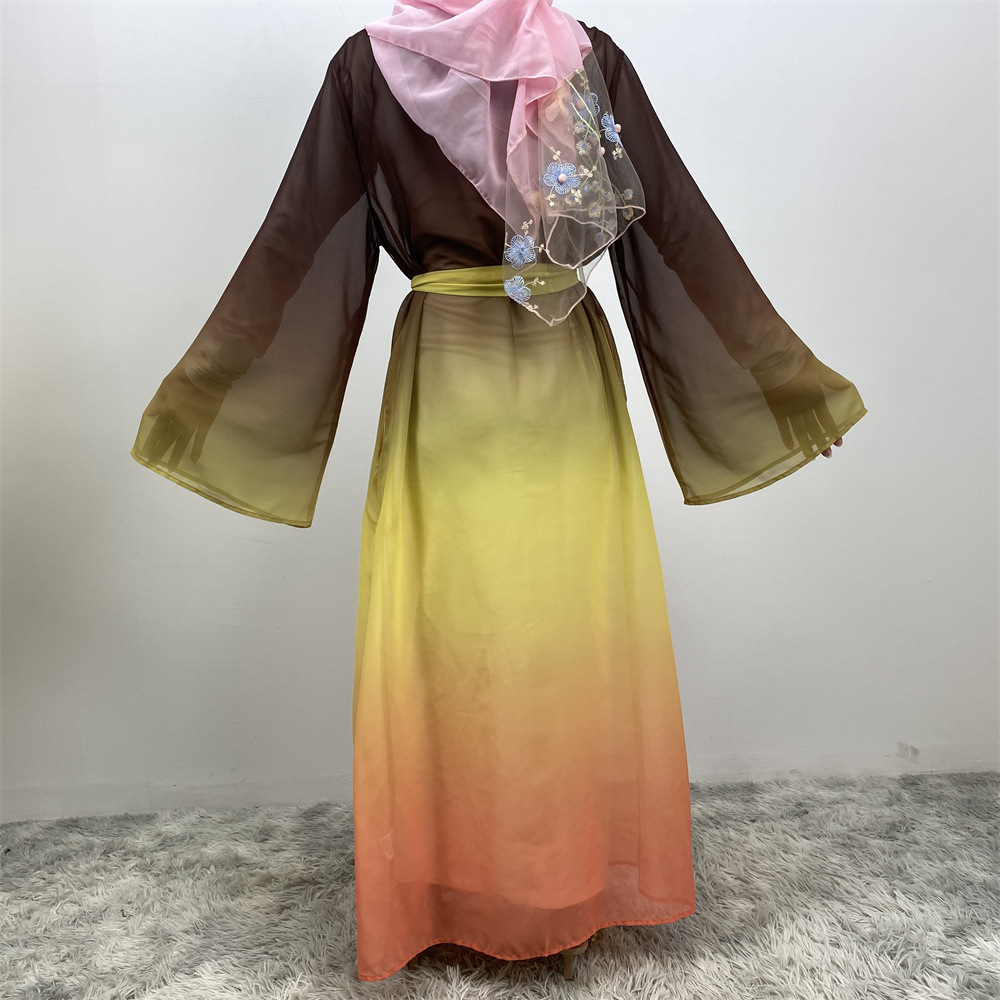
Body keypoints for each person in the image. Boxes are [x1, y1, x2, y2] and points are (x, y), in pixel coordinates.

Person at [131, 0, 865, 983]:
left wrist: (203, 391)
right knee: (560, 638)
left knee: (457, 645)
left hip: (447, 383)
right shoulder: (583, 57)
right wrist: (782, 380)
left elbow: (294, 243)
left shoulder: (370, 68)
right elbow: (677, 230)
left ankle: (466, 889)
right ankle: (556, 885)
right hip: (562, 383)